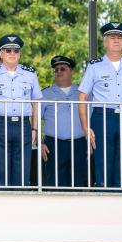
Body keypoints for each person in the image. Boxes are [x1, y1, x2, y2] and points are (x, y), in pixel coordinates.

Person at [78, 22, 122, 188]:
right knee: (103, 163)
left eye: (120, 37)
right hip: (103, 116)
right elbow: (82, 97)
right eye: (112, 37)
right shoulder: (94, 66)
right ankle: (103, 204)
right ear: (105, 41)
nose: (116, 40)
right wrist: (86, 127)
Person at [0, 34, 42, 187]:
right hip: (0, 124)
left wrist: (35, 128)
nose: (12, 54)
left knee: (22, 168)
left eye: (15, 51)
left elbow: (36, 103)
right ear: (1, 54)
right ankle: (0, 205)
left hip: (23, 124)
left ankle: (20, 205)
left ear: (20, 54)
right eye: (8, 51)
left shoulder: (30, 74)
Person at [41, 55, 86, 187]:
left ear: (71, 72)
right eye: (56, 70)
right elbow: (36, 119)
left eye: (63, 69)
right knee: (54, 184)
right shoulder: (45, 94)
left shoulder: (82, 93)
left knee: (77, 183)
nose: (59, 72)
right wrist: (39, 143)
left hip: (78, 144)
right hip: (53, 145)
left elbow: (91, 118)